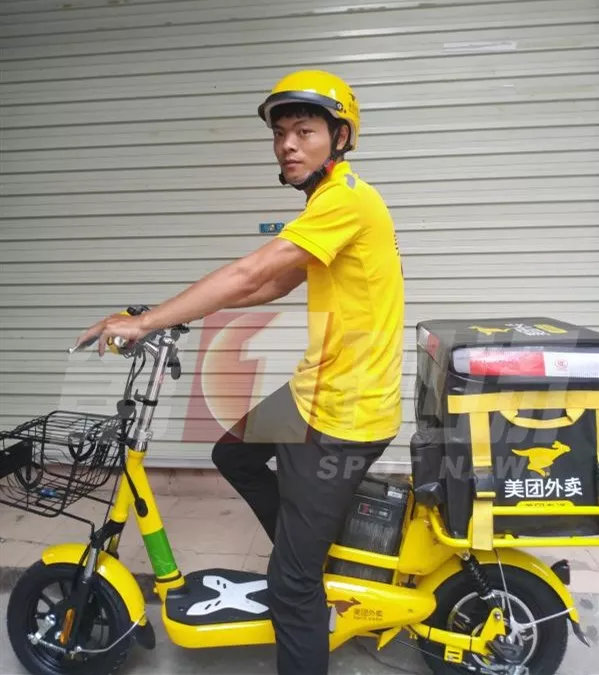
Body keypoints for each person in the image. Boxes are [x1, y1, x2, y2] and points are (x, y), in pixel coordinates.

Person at [73, 70, 405, 675]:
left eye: (304, 131)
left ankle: (300, 573)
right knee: (233, 454)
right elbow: (274, 283)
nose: (288, 145)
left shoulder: (346, 199)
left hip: (343, 415)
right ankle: (307, 553)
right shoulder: (327, 202)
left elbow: (252, 273)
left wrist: (144, 324)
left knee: (291, 588)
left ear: (340, 136)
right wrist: (165, 313)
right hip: (317, 390)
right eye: (280, 134)